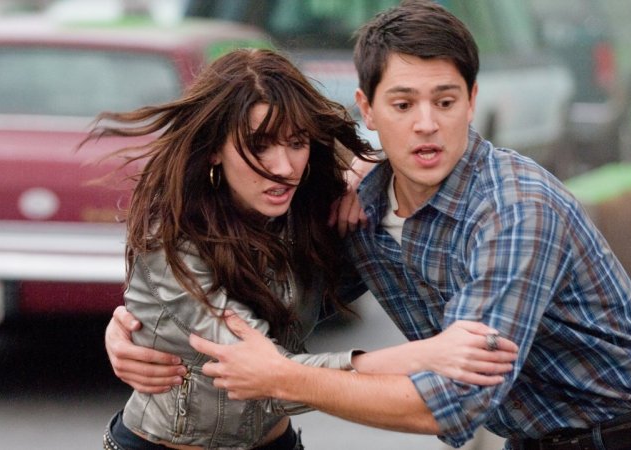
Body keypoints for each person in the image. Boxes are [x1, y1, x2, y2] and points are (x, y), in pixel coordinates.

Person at [107, 2, 631, 448]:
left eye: (445, 101)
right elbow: (251, 314)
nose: (426, 124)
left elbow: (453, 404)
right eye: (404, 104)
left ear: (473, 100)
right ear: (368, 108)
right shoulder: (360, 208)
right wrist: (138, 331)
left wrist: (280, 376)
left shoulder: (515, 211)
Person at [92, 47, 519, 450]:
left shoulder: (311, 213)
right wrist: (425, 355)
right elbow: (269, 374)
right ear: (214, 150)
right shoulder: (170, 240)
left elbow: (426, 155)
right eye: (259, 145)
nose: (283, 168)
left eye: (296, 142)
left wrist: (371, 175)